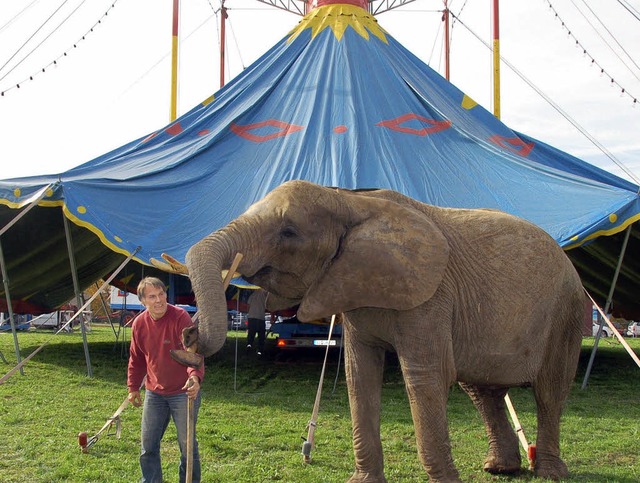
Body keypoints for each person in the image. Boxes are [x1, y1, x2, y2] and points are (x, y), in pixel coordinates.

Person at [127, 277, 205, 483]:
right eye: (152, 296)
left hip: (183, 392)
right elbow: (136, 358)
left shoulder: (180, 317)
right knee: (148, 446)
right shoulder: (139, 324)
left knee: (187, 447)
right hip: (155, 393)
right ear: (143, 301)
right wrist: (133, 387)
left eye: (161, 294)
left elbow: (191, 352)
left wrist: (194, 378)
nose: (159, 300)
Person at [246, 288, 267, 355]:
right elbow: (267, 307)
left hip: (252, 317)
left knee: (251, 333)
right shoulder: (265, 296)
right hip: (260, 317)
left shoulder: (252, 296)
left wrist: (249, 312)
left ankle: (249, 345)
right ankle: (260, 350)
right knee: (261, 335)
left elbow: (248, 306)